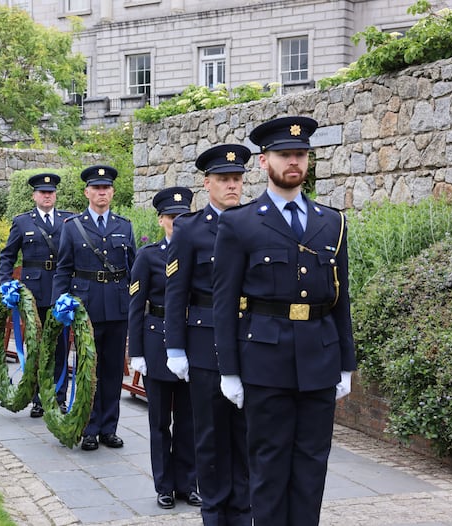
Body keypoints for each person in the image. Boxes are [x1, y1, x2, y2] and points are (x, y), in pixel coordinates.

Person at [212, 116, 356, 526]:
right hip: (264, 360)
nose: (293, 162)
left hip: (319, 357)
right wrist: (229, 372)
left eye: (300, 155)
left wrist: (346, 362)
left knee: (312, 468)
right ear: (264, 161)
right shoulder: (239, 223)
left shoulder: (332, 221)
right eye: (284, 155)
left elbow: (341, 297)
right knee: (269, 466)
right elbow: (224, 303)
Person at [164, 145, 252, 523]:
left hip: (250, 342)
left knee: (247, 437)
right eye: (223, 179)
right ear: (207, 183)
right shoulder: (190, 228)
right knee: (211, 438)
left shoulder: (254, 222)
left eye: (237, 179)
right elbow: (175, 292)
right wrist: (175, 347)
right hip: (204, 344)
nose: (232, 186)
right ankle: (214, 514)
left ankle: (243, 512)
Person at [52, 165, 136, 451]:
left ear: (112, 192)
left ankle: (109, 428)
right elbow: (63, 269)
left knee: (113, 370)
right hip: (85, 307)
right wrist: (58, 305)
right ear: (87, 192)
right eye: (96, 188)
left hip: (117, 306)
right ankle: (89, 427)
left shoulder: (124, 226)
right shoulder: (73, 227)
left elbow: (133, 269)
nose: (102, 193)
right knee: (89, 370)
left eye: (107, 188)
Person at [128, 186, 199, 509]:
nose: (177, 222)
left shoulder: (199, 253)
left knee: (189, 420)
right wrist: (137, 353)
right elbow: (136, 306)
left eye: (183, 217)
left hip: (192, 342)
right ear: (161, 221)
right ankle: (164, 486)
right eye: (172, 218)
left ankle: (188, 483)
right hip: (157, 343)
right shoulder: (149, 255)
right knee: (159, 422)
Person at [0, 173, 70, 417]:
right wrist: (6, 284)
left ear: (55, 195)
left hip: (61, 292)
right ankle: (39, 397)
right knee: (37, 345)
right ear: (34, 196)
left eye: (50, 192)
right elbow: (8, 255)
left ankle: (59, 396)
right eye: (42, 192)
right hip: (34, 292)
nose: (47, 196)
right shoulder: (22, 222)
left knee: (60, 346)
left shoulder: (68, 220)